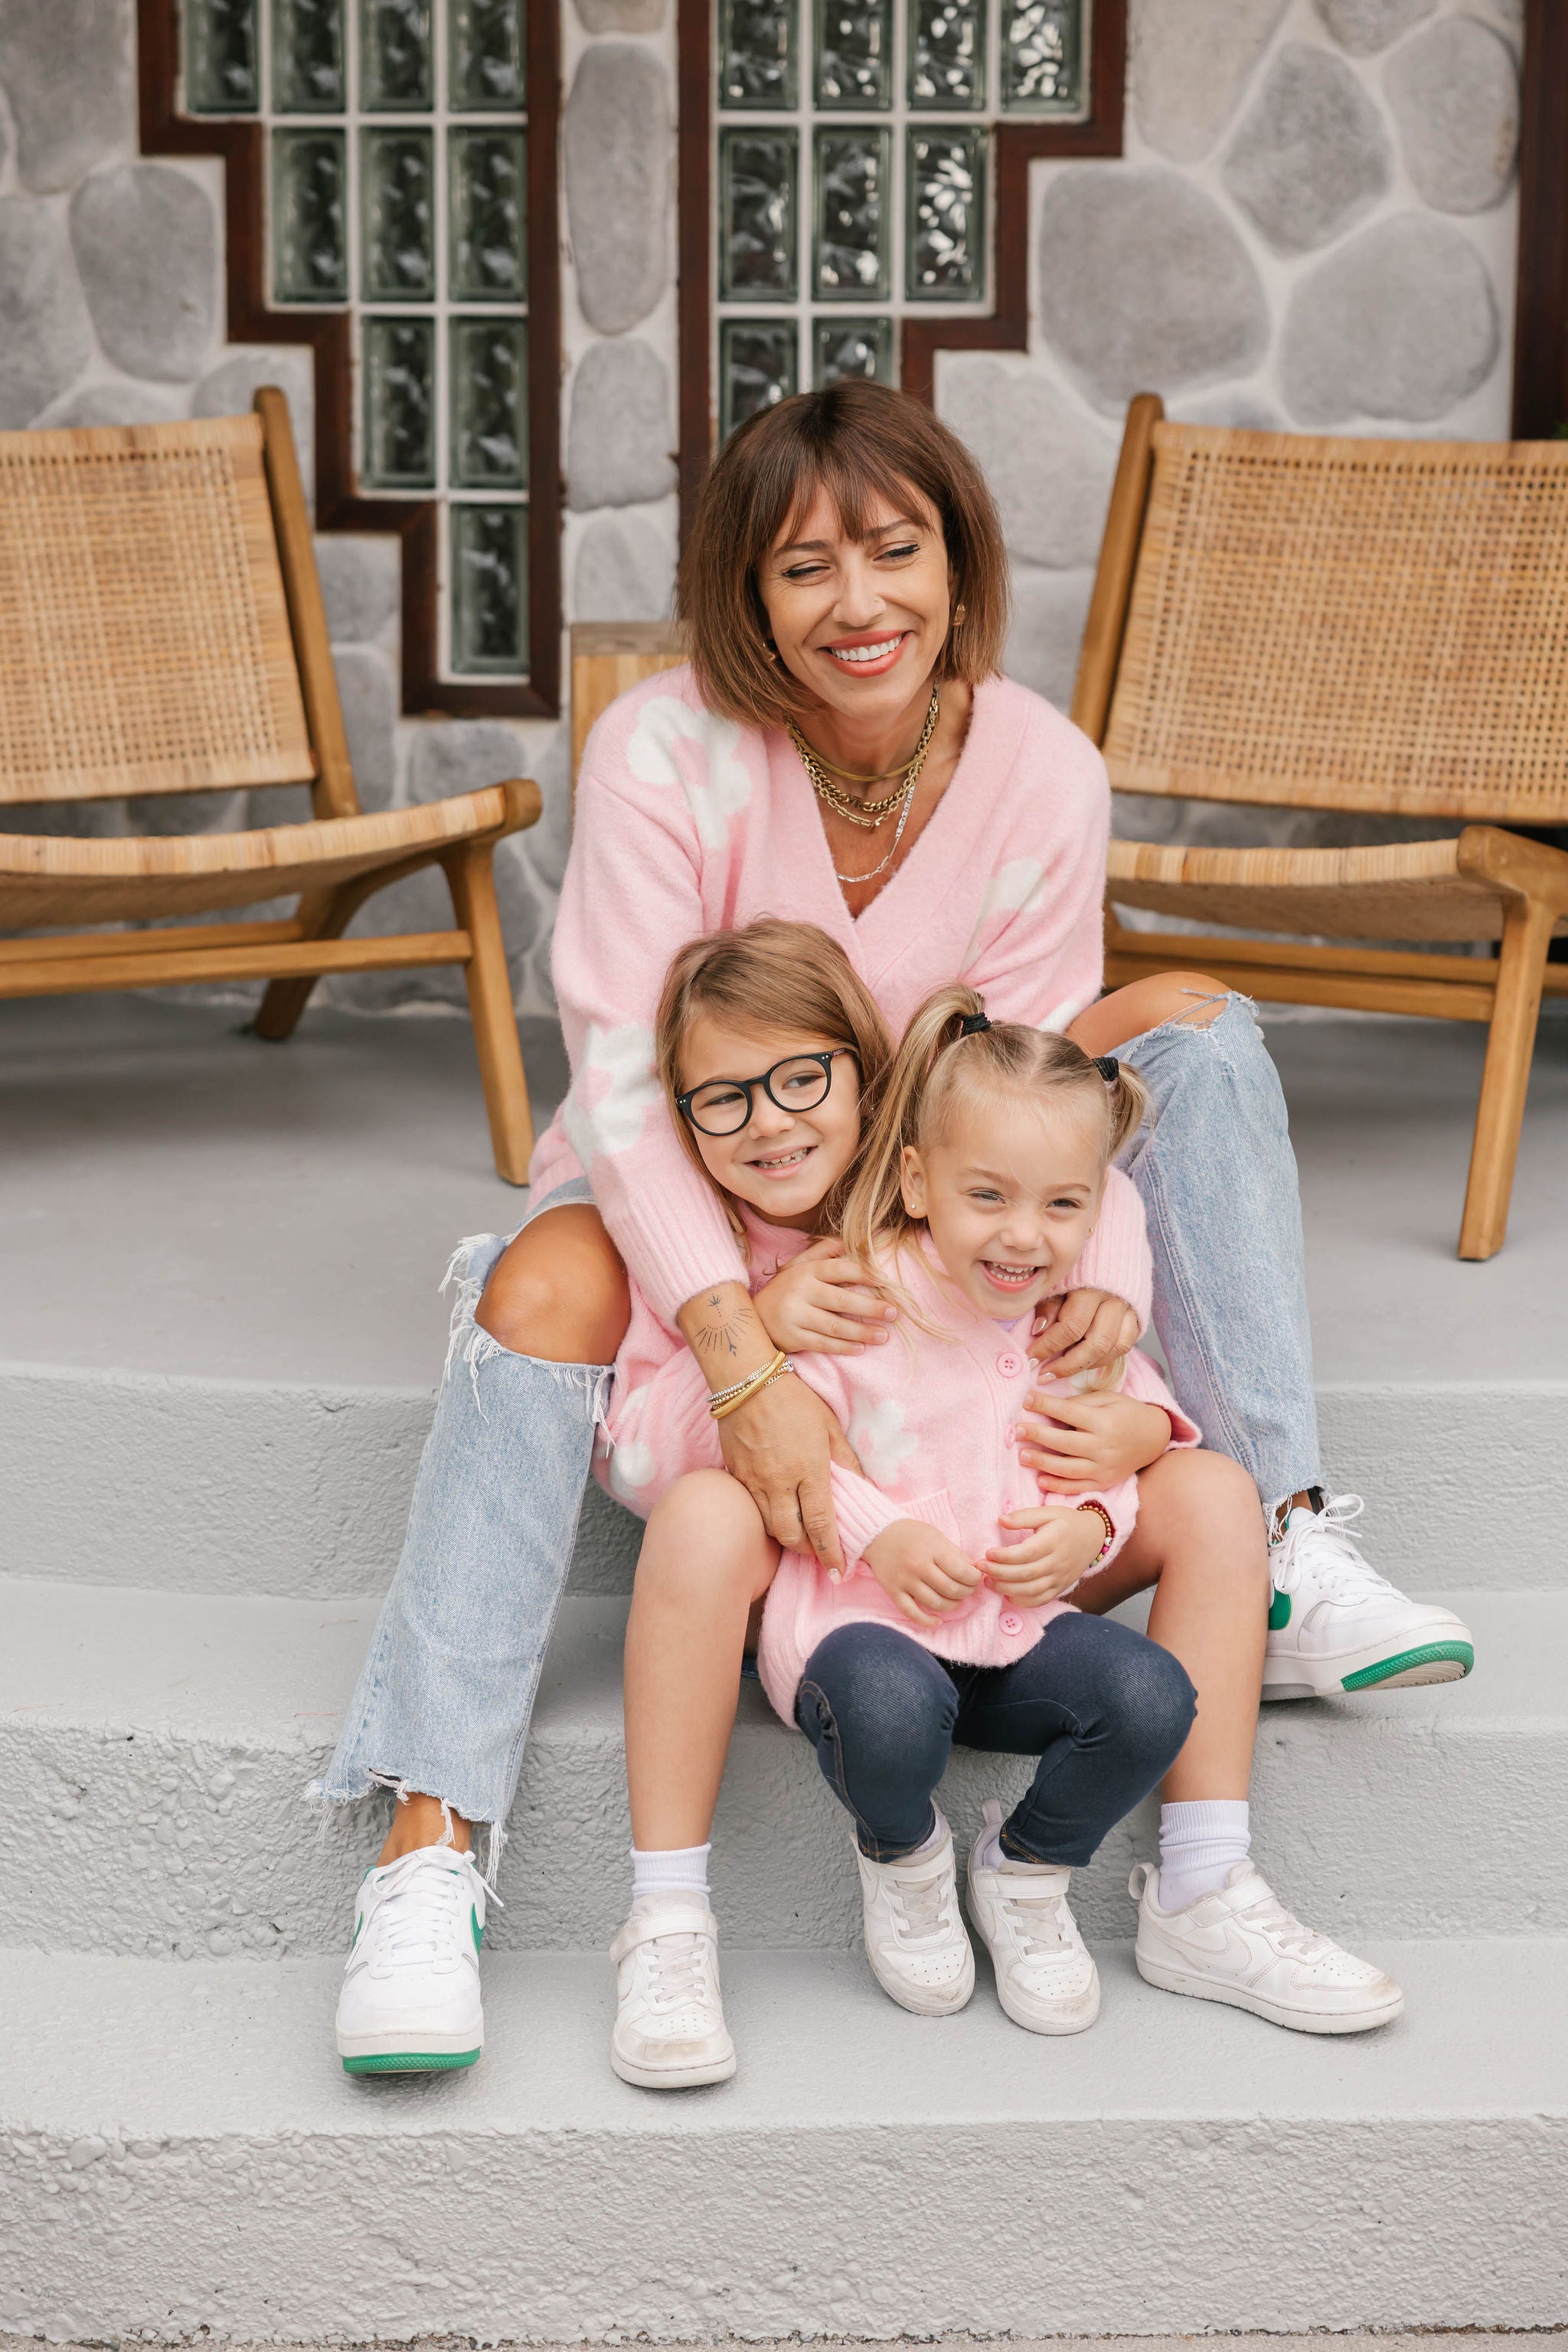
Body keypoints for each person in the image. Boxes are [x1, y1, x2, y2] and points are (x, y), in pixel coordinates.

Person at [322, 381, 1469, 2078]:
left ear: (957, 558)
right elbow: (628, 1074)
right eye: (803, 567)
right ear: (744, 592)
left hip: (929, 1229)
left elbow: (1032, 1081)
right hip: (702, 1194)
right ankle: (428, 1852)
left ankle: (1280, 1534)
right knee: (540, 1282)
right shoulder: (663, 748)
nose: (858, 604)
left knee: (1197, 1025)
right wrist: (739, 1349)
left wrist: (1104, 1297)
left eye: (895, 549)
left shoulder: (1037, 770)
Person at [606, 935, 1403, 2087]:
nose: (770, 1122)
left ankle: (1200, 1882)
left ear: (867, 1081)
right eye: (724, 1099)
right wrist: (752, 1339)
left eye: (801, 1081)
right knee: (708, 1526)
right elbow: (654, 1458)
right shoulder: (720, 1255)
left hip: (1013, 1607)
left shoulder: (1006, 1229)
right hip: (840, 1597)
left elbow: (1089, 1198)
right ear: (683, 1119)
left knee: (1213, 1505)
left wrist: (1137, 1446)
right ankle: (673, 1918)